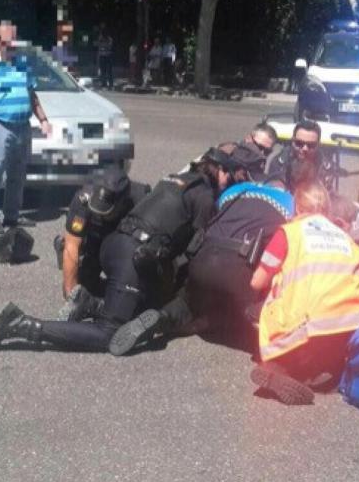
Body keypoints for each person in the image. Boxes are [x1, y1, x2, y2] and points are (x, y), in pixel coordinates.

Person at [0, 147, 232, 353]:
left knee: (142, 301)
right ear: (218, 171)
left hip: (112, 247)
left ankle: (92, 304)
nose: (229, 179)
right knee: (109, 334)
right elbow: (199, 250)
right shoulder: (204, 196)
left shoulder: (170, 179)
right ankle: (24, 325)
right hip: (133, 257)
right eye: (228, 173)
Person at [107, 143, 289, 355]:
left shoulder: (238, 191)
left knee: (189, 300)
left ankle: (162, 317)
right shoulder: (289, 201)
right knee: (261, 286)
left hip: (205, 257)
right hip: (241, 266)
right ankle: (243, 327)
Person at [248, 181, 359, 406]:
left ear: (297, 209)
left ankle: (278, 368)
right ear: (326, 210)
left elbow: (257, 282)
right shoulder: (344, 237)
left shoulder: (290, 233)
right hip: (354, 324)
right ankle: (320, 375)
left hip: (310, 323)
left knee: (266, 305)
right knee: (327, 353)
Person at [0, 20, 53, 234]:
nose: (9, 44)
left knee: (17, 175)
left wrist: (43, 119)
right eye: (5, 40)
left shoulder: (22, 64)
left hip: (22, 127)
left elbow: (32, 95)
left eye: (12, 39)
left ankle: (12, 216)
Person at [52, 167, 150, 321]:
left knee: (135, 303)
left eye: (105, 211)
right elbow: (72, 246)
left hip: (124, 246)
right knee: (79, 289)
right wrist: (72, 299)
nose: (99, 213)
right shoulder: (83, 199)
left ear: (122, 202)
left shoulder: (142, 200)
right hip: (94, 242)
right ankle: (97, 285)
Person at [265, 120, 339, 193]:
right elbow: (272, 194)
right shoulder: (280, 162)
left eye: (311, 145)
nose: (305, 148)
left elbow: (326, 198)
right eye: (299, 143)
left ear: (318, 145)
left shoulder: (325, 167)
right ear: (292, 141)